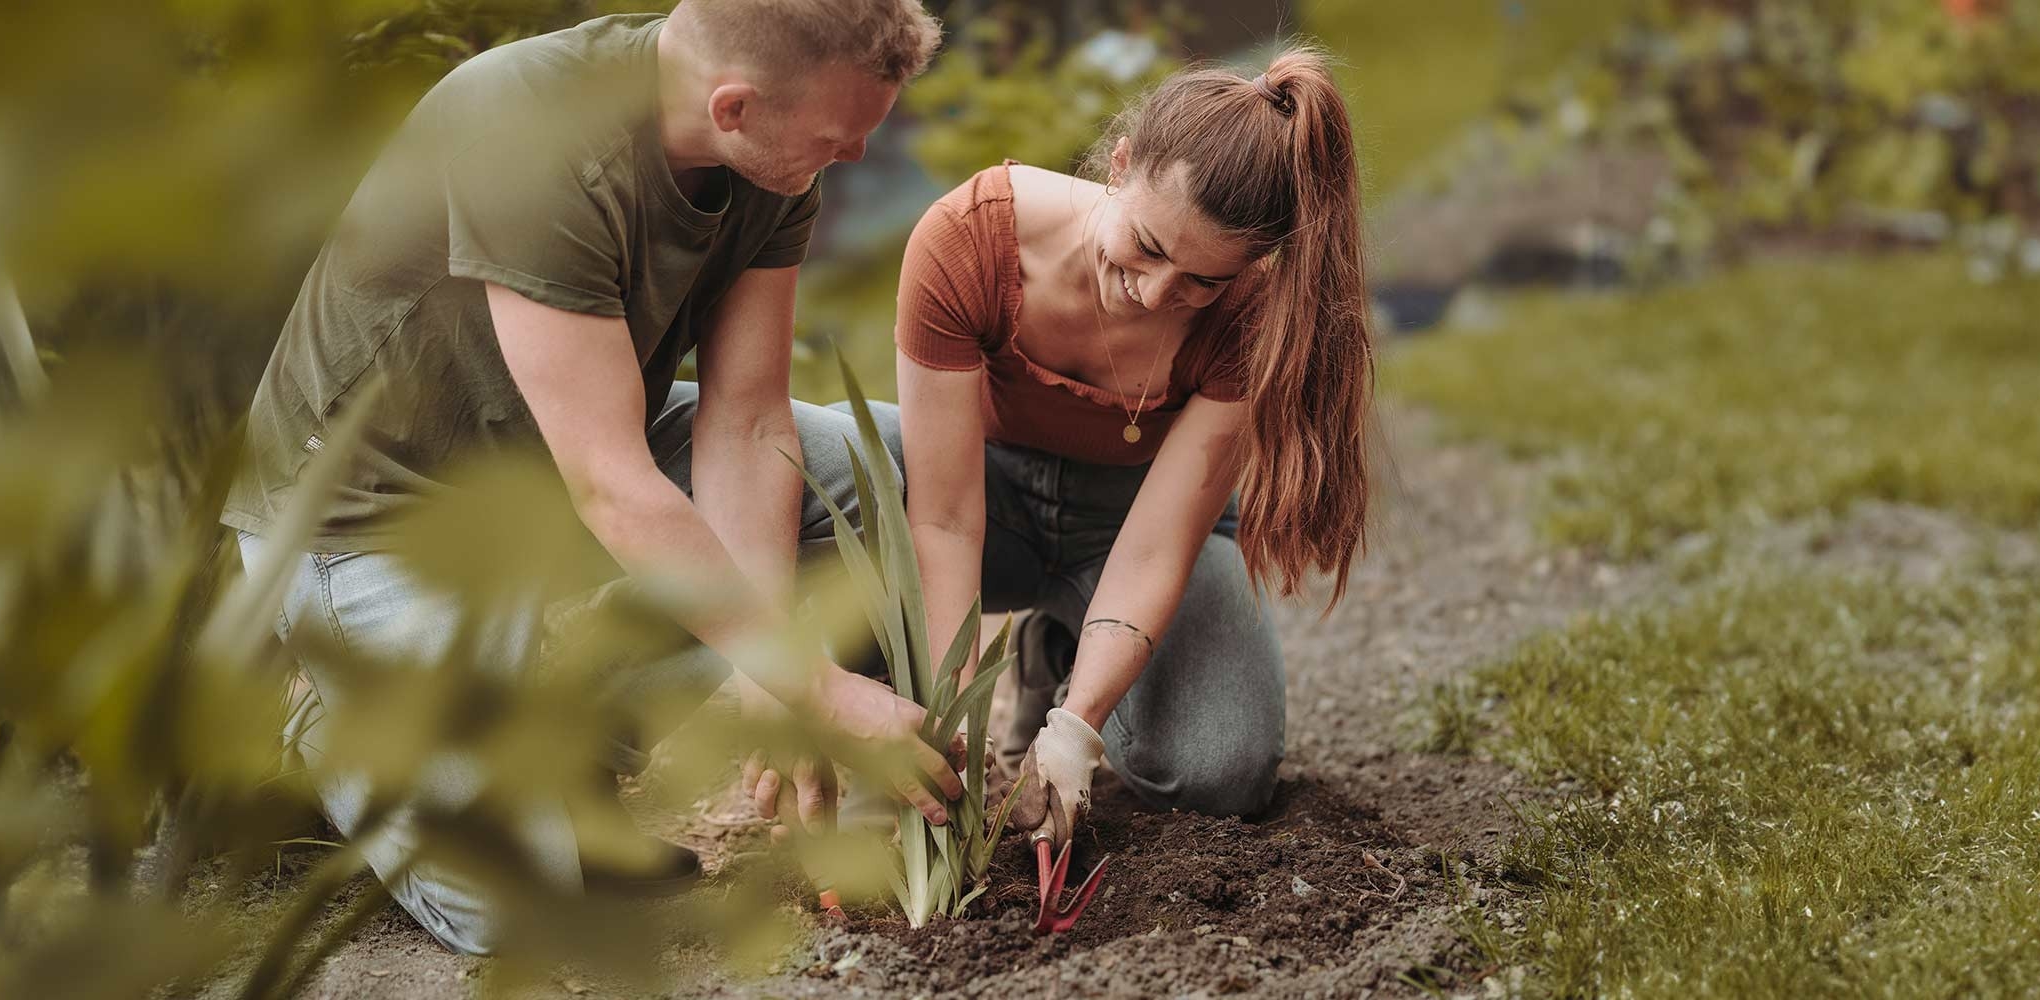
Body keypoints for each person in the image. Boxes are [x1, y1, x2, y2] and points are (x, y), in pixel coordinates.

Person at [219, 1, 953, 956]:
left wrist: (779, 676)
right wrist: (815, 682)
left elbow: (747, 421)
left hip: (561, 472)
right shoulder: (529, 127)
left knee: (863, 469)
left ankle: (562, 755)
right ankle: (339, 720)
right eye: (837, 137)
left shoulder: (773, 153)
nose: (857, 154)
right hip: (373, 519)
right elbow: (611, 480)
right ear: (732, 107)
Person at [855, 47, 1371, 850]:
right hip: (990, 504)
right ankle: (865, 712)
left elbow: (1158, 546)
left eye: (1203, 282)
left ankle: (1059, 652)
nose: (1161, 294)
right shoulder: (969, 240)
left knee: (1220, 771)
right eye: (1152, 247)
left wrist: (1076, 727)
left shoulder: (1255, 314)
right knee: (830, 459)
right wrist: (951, 732)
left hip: (1130, 524)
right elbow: (947, 519)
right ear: (1121, 165)